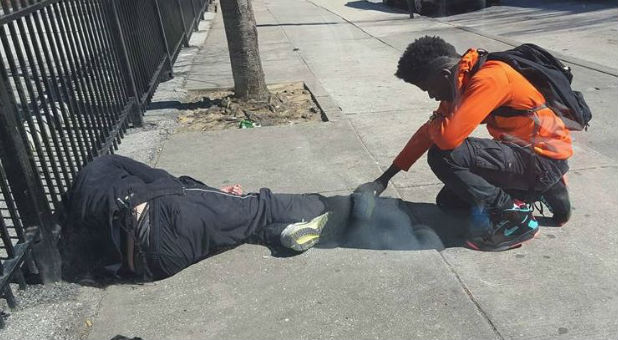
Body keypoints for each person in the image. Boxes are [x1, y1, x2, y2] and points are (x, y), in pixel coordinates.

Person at [355, 36, 572, 251]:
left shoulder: (490, 78)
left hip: (542, 159)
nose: (431, 96)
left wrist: (436, 124)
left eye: (428, 88)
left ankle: (517, 218)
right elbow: (427, 132)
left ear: (445, 74)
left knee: (444, 155)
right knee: (450, 202)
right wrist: (383, 180)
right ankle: (541, 189)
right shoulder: (462, 80)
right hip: (533, 156)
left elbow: (447, 139)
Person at [60, 155, 331, 282]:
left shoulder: (76, 224)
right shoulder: (103, 164)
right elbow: (165, 181)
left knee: (230, 230)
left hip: (154, 267)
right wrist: (211, 194)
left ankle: (283, 234)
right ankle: (339, 206)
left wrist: (210, 199)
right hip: (161, 218)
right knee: (259, 206)